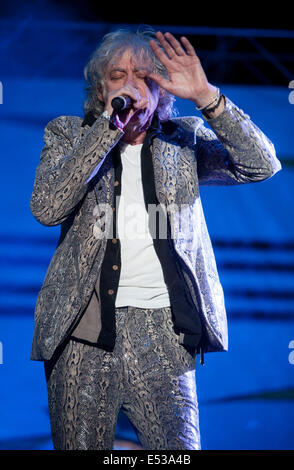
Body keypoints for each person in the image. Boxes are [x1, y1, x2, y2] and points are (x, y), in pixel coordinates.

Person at [30, 27, 281, 450]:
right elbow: (47, 207)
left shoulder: (182, 140)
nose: (130, 84)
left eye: (144, 75)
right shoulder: (69, 135)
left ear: (162, 89)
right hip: (81, 331)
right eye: (118, 75)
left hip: (163, 332)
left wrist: (207, 97)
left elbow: (261, 165)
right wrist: (109, 129)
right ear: (100, 89)